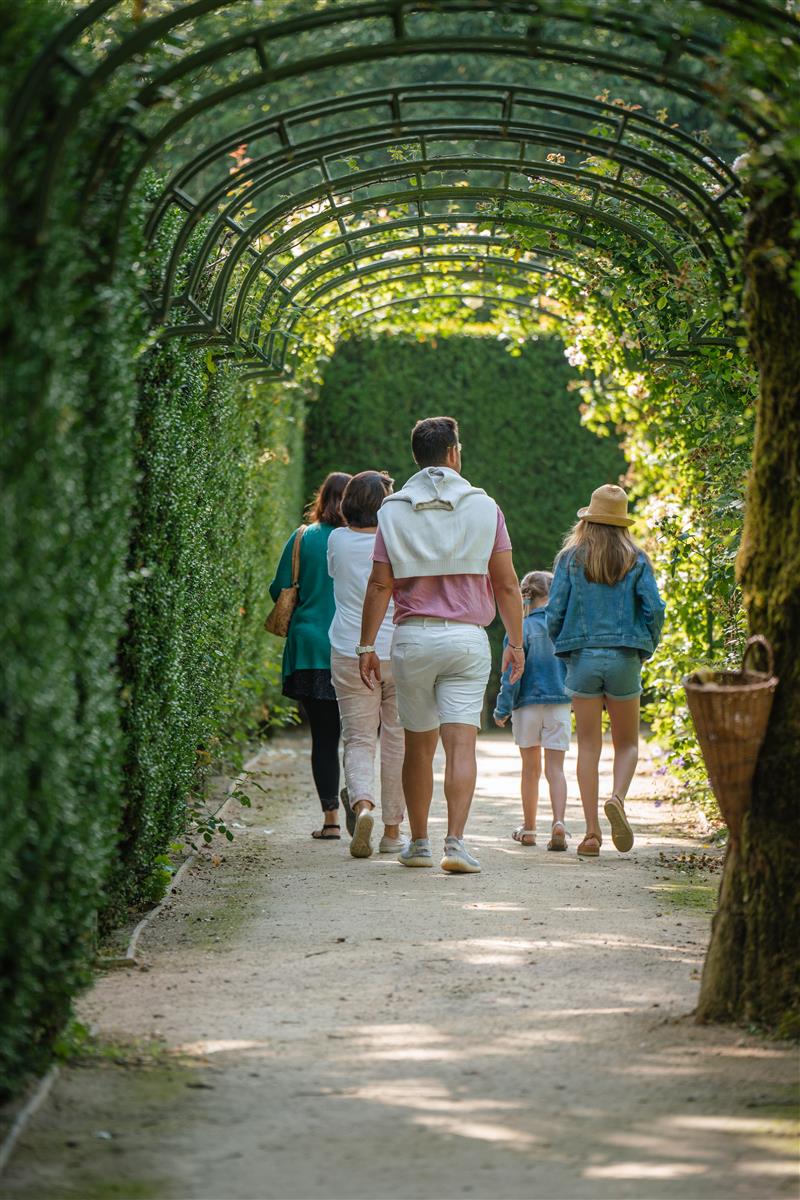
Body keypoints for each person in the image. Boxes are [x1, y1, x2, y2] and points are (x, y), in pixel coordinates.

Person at [358, 416, 524, 874]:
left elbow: (379, 585)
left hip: (413, 638)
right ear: (454, 453)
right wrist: (517, 642)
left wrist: (365, 646)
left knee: (418, 746)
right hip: (467, 640)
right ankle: (456, 842)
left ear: (417, 455)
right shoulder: (484, 507)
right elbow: (507, 585)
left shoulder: (391, 510)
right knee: (461, 745)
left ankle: (418, 844)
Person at [547, 485, 666, 857]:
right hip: (624, 658)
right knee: (627, 743)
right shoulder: (637, 558)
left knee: (588, 748)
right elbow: (655, 608)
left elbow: (555, 611)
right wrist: (646, 643)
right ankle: (616, 798)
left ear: (589, 519)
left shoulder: (570, 559)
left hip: (582, 658)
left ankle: (592, 835)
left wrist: (562, 645)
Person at [327, 471, 406, 859]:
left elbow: (335, 579)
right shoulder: (396, 540)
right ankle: (393, 832)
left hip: (350, 648)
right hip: (400, 649)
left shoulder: (336, 540)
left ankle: (362, 806)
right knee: (397, 741)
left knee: (358, 739)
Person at [269, 471, 351, 840]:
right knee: (359, 736)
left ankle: (331, 819)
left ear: (321, 498)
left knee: (323, 736)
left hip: (308, 650)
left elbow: (278, 589)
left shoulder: (303, 537)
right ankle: (362, 804)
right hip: (350, 647)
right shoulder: (362, 540)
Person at [493, 570, 571, 851]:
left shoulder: (519, 629)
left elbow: (510, 675)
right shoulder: (563, 628)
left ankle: (528, 829)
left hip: (526, 706)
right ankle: (559, 822)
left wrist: (502, 709)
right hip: (560, 703)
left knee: (530, 770)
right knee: (556, 769)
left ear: (527, 596)